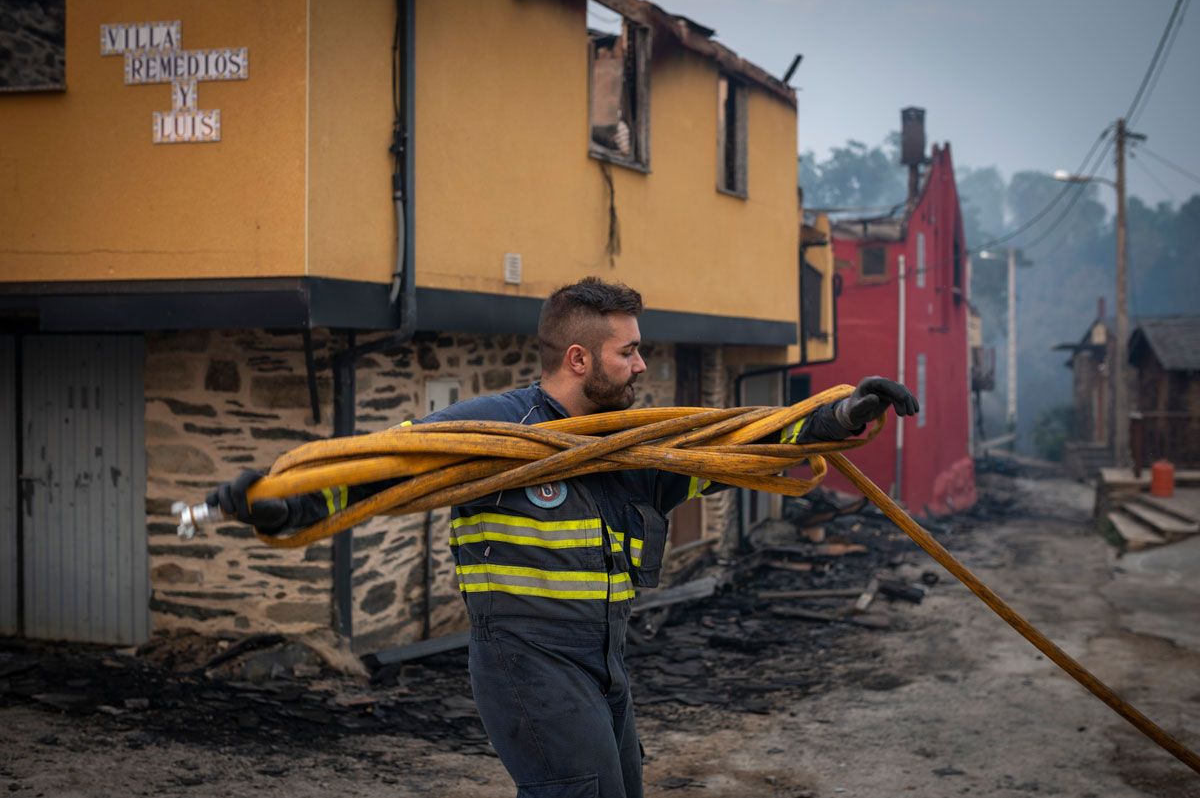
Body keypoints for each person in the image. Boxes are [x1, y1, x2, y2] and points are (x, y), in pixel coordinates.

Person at [210, 277, 918, 798]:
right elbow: (376, 471)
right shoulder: (494, 430)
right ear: (579, 359)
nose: (643, 366)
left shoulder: (634, 443)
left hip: (605, 659)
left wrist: (838, 415)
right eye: (629, 352)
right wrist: (281, 503)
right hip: (528, 658)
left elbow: (730, 450)